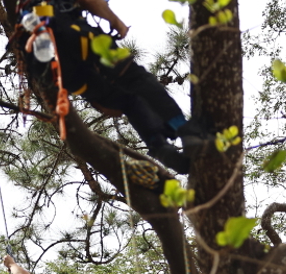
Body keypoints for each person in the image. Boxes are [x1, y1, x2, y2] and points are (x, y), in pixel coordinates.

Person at [19, 0, 203, 174]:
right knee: (134, 77)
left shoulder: (25, 10)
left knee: (127, 99)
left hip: (52, 66)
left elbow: (109, 108)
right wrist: (115, 21)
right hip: (68, 31)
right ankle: (186, 131)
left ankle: (160, 147)